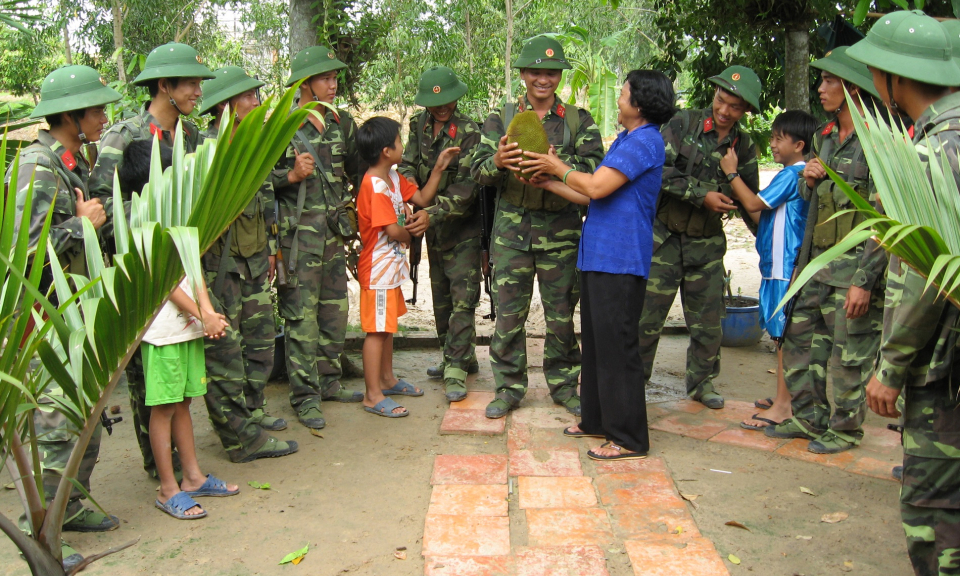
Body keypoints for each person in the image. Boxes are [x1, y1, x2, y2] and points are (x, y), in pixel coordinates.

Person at [92, 43, 294, 470]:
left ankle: (235, 438)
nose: (200, 92)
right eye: (191, 84)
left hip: (190, 272)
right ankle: (158, 464)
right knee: (147, 376)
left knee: (216, 351)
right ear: (164, 86)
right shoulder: (124, 136)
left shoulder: (196, 140)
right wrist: (155, 237)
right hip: (144, 276)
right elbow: (104, 206)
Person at [849, 11, 960, 575]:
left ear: (895, 77)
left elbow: (926, 276)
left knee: (935, 515)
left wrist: (890, 365)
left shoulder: (934, 155)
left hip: (946, 373)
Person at [519, 70, 676, 460]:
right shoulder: (626, 140)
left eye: (623, 93)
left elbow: (594, 187)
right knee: (596, 344)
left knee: (618, 348)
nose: (618, 98)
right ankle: (594, 419)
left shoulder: (644, 142)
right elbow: (592, 197)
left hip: (621, 259)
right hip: (600, 256)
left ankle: (628, 438)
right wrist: (550, 182)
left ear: (638, 104)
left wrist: (557, 168)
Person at [7, 64, 121, 570]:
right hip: (43, 315)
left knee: (84, 413)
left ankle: (71, 507)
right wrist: (83, 224)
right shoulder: (37, 165)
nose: (103, 116)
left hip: (73, 307)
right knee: (54, 424)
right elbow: (30, 252)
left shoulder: (70, 161)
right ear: (69, 115)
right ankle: (47, 529)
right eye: (95, 109)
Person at [470, 34, 605, 419]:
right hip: (512, 233)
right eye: (534, 72)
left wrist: (555, 162)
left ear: (559, 76)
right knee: (509, 316)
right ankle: (509, 387)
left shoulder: (580, 120)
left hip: (561, 232)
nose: (542, 79)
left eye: (550, 72)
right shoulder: (502, 117)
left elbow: (596, 172)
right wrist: (497, 160)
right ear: (523, 74)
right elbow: (477, 173)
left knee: (561, 315)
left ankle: (564, 384)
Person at [764, 47, 888, 454]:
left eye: (828, 81)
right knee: (801, 341)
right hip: (818, 263)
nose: (821, 88)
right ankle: (808, 417)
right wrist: (810, 179)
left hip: (854, 268)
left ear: (851, 87)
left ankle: (846, 429)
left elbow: (885, 221)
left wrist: (865, 281)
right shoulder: (825, 136)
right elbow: (810, 198)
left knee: (849, 354)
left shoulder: (880, 141)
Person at [636, 65, 762, 410]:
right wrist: (701, 194)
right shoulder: (683, 122)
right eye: (722, 100)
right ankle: (635, 380)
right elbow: (656, 169)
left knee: (708, 323)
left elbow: (749, 196)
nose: (724, 111)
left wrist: (766, 241)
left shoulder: (744, 146)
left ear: (745, 111)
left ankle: (702, 383)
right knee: (646, 318)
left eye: (735, 107)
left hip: (705, 244)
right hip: (663, 239)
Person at [270, 46, 362, 430]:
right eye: (325, 78)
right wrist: (289, 176)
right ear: (305, 83)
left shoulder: (342, 124)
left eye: (335, 77)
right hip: (297, 243)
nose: (332, 84)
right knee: (301, 320)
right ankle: (305, 397)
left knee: (334, 312)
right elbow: (259, 184)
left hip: (333, 240)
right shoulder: (281, 126)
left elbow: (355, 171)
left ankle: (328, 381)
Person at [198, 67, 287, 432]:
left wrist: (271, 248)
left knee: (262, 340)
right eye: (249, 97)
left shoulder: (254, 145)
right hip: (222, 267)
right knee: (227, 350)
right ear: (227, 106)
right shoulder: (205, 150)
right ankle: (235, 424)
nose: (257, 102)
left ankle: (255, 407)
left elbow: (267, 199)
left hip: (254, 260)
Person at [721, 110, 818, 431]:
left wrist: (732, 174)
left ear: (799, 144)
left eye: (779, 139)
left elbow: (753, 206)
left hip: (783, 265)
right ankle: (782, 395)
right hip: (775, 263)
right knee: (781, 336)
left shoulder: (793, 175)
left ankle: (784, 405)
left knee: (783, 338)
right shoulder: (794, 174)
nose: (773, 144)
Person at [355, 117, 456, 416]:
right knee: (376, 331)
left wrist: (438, 168)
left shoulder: (394, 178)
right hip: (378, 270)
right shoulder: (375, 186)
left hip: (389, 269)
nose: (403, 146)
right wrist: (412, 228)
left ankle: (386, 379)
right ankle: (372, 394)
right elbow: (392, 230)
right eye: (399, 142)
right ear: (387, 151)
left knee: (385, 328)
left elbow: (423, 198)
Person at [397, 66, 482, 402]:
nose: (442, 107)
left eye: (447, 101)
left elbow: (468, 188)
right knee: (442, 296)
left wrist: (430, 212)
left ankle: (456, 366)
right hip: (430, 228)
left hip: (461, 228)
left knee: (463, 298)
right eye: (435, 103)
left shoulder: (469, 131)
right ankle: (457, 354)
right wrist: (409, 197)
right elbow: (405, 164)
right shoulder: (418, 125)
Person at [142, 268, 238, 519]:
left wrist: (207, 313)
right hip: (161, 332)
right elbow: (163, 278)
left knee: (183, 402)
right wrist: (203, 315)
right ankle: (167, 489)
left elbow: (193, 268)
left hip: (188, 326)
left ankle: (193, 477)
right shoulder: (150, 229)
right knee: (164, 407)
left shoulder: (185, 229)